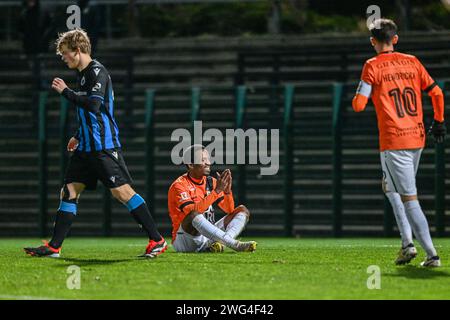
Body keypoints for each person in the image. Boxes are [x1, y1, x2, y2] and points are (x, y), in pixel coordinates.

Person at [24, 29, 167, 258]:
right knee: (69, 190)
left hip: (103, 146)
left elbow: (93, 105)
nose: (63, 58)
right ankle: (54, 247)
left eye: (65, 54)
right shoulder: (83, 74)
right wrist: (79, 135)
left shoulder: (97, 72)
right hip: (86, 147)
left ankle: (157, 240)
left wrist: (65, 92)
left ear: (78, 51)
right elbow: (91, 113)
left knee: (122, 193)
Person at [352, 19, 446, 267]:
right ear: (395, 39)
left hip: (394, 140)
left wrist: (362, 91)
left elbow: (359, 105)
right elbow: (437, 92)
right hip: (417, 136)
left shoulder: (372, 65)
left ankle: (431, 254)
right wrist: (439, 122)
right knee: (390, 186)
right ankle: (406, 243)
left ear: (373, 41)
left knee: (408, 198)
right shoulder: (413, 62)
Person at [167, 145, 257, 253]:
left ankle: (219, 243)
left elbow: (229, 210)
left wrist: (227, 192)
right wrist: (217, 191)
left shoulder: (211, 182)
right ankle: (234, 244)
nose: (208, 163)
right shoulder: (179, 185)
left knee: (242, 210)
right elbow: (192, 213)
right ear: (191, 165)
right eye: (203, 160)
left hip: (208, 235)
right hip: (186, 239)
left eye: (208, 159)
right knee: (193, 214)